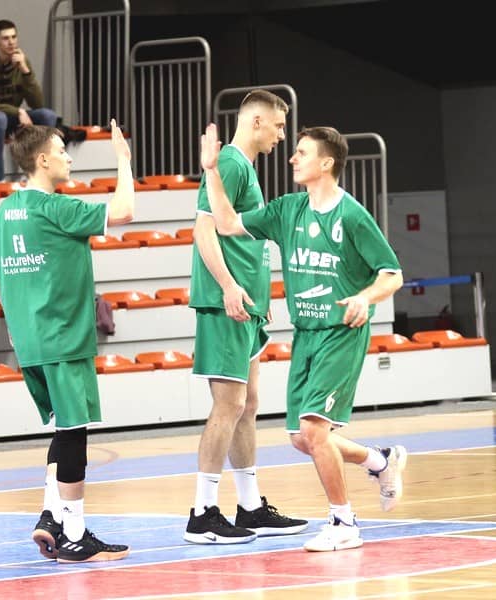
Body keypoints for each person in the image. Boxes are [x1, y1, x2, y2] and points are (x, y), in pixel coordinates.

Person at [200, 123, 408, 552]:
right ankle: (379, 460)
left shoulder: (352, 215)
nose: (292, 158)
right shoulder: (288, 210)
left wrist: (364, 298)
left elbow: (392, 274)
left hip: (340, 334)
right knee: (301, 438)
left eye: (302, 152)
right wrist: (212, 171)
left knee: (314, 431)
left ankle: (343, 522)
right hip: (306, 335)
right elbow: (227, 223)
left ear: (326, 163)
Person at [0, 121, 132, 563]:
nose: (69, 158)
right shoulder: (56, 208)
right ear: (42, 160)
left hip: (30, 341)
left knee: (63, 428)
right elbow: (123, 211)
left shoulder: (6, 211)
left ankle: (51, 517)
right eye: (62, 151)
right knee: (74, 435)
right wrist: (123, 159)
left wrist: (18, 320)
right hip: (63, 337)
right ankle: (74, 534)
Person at [185, 90, 307, 545]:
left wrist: (257, 288)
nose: (282, 135)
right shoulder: (231, 164)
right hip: (227, 304)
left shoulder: (244, 167)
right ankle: (202, 513)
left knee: (248, 404)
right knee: (229, 405)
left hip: (247, 304)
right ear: (257, 121)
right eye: (278, 126)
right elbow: (204, 230)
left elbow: (242, 237)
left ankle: (250, 506)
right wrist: (228, 286)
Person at [0, 19, 58, 189]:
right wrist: (17, 111)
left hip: (11, 118)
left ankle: (40, 173)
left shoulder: (21, 61)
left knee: (48, 115)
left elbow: (37, 103)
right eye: (5, 38)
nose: (11, 42)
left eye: (14, 37)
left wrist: (25, 71)